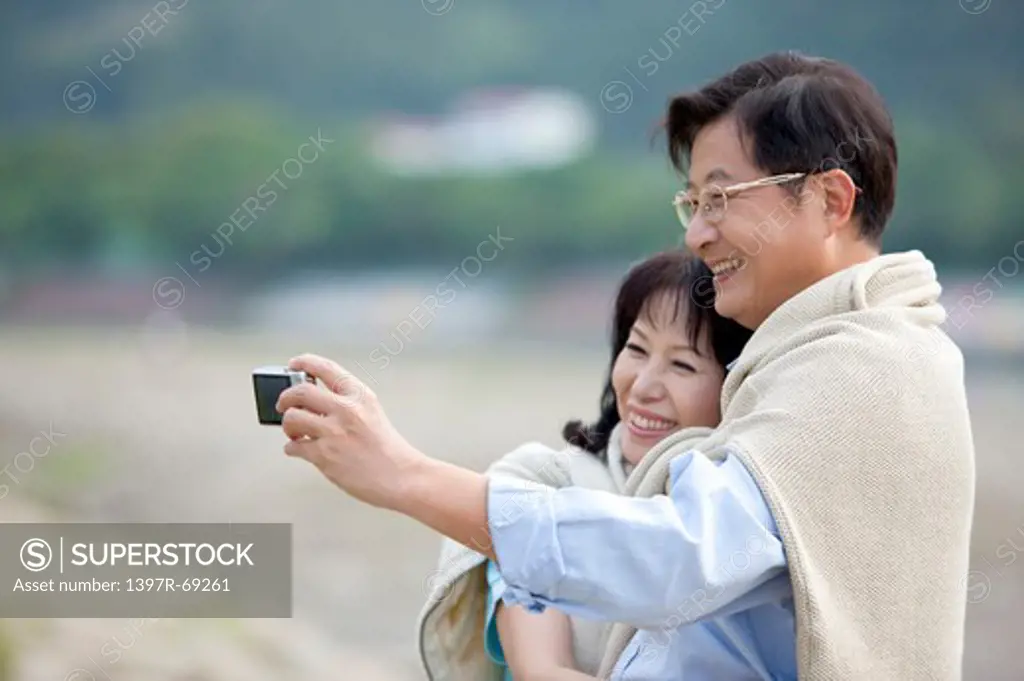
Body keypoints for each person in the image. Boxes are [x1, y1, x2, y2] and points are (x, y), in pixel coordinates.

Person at [275, 51, 975, 680]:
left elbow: (678, 557)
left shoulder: (863, 365)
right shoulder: (834, 351)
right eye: (692, 202)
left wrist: (404, 474)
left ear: (829, 199)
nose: (697, 233)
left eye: (721, 199)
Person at [415, 250, 753, 680]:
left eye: (682, 365)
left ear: (738, 387)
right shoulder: (543, 493)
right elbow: (542, 670)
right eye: (636, 348)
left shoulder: (753, 514)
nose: (643, 385)